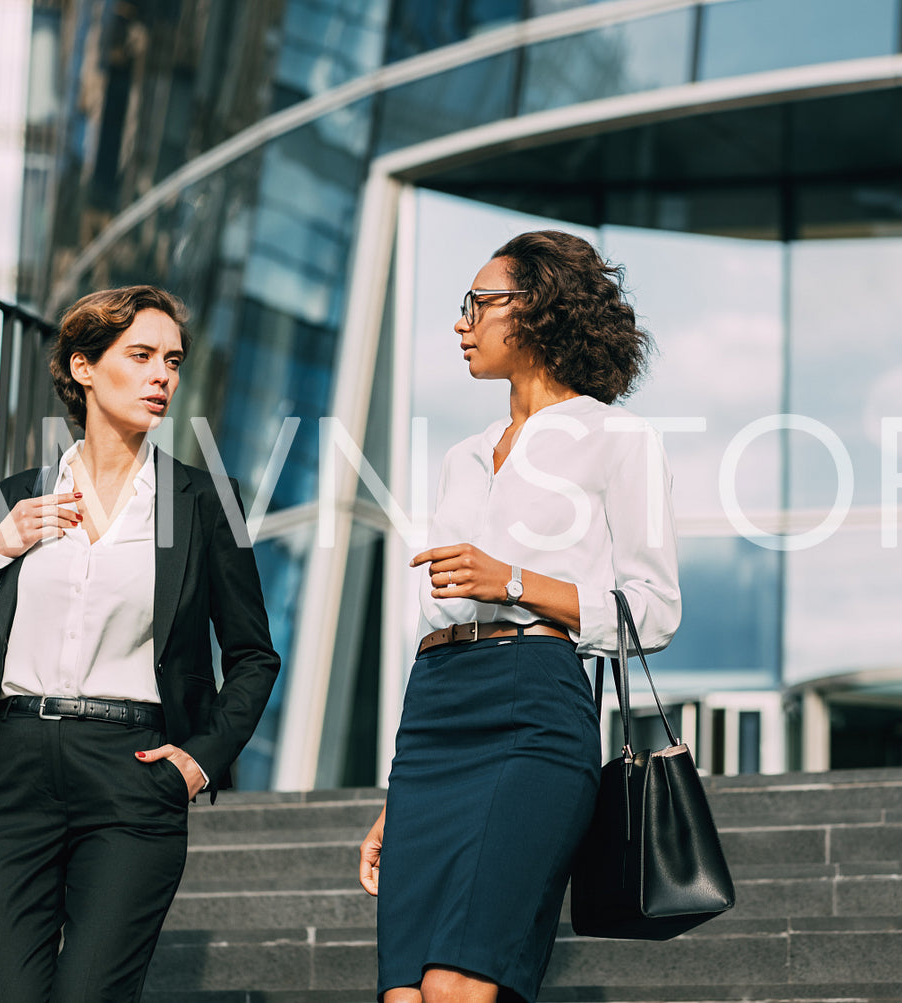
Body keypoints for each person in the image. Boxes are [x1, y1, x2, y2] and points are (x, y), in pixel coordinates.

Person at [359, 231, 682, 1003]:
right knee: (403, 993)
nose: (462, 323)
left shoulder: (617, 437)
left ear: (537, 308)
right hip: (433, 710)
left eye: (478, 302)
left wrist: (513, 579)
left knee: (455, 985)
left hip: (532, 704)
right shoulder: (461, 457)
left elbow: (654, 610)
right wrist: (392, 796)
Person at [0, 285, 281, 1002]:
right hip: (8, 776)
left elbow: (254, 653)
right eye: (141, 355)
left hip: (133, 771)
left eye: (172, 360)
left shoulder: (201, 501)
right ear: (84, 367)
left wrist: (199, 760)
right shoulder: (19, 496)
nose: (163, 374)